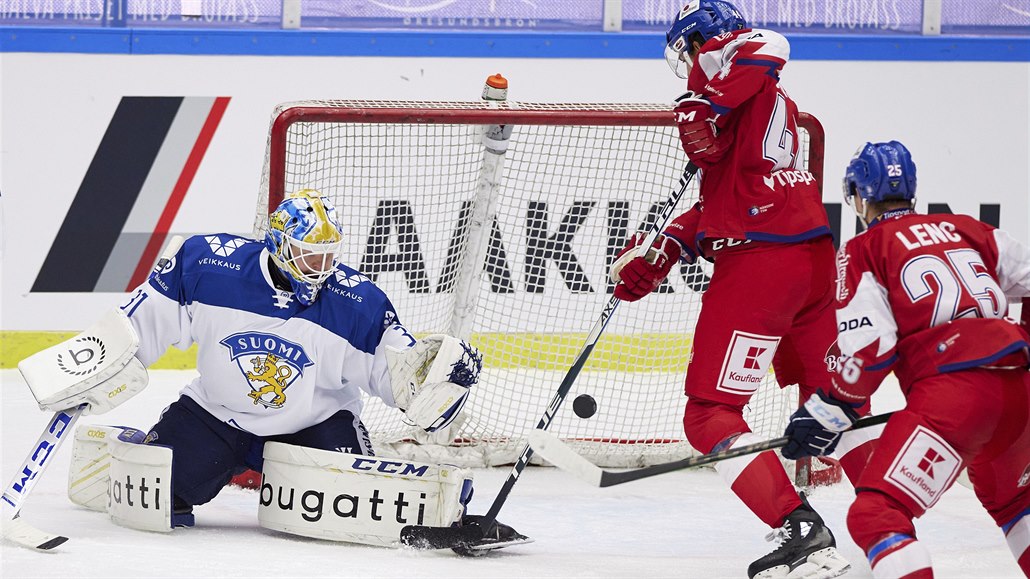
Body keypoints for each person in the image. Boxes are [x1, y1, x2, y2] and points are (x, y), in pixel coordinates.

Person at [25, 189, 525, 547]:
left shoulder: (359, 304)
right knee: (152, 506)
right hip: (215, 415)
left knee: (360, 521)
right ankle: (132, 445)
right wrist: (103, 365)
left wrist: (444, 383)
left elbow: (405, 388)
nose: (320, 269)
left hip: (314, 424)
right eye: (309, 257)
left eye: (328, 257)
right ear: (279, 246)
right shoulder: (206, 264)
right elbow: (143, 325)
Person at [611, 2, 871, 577]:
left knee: (708, 414)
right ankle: (891, 517)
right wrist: (670, 244)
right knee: (831, 400)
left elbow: (770, 42)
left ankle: (798, 527)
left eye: (689, 50)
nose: (688, 65)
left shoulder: (727, 64)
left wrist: (708, 92)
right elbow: (732, 193)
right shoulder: (764, 97)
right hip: (808, 257)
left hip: (762, 268)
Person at [780, 141, 1030, 577]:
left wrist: (826, 411)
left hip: (955, 397)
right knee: (1016, 504)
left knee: (876, 515)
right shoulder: (969, 229)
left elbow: (872, 348)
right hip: (1020, 386)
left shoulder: (864, 250)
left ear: (859, 195)